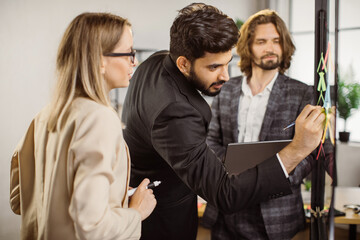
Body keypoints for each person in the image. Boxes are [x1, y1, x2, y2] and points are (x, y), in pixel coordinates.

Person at [121, 3, 325, 240]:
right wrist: (298, 148)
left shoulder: (155, 62)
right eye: (214, 66)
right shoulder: (176, 113)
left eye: (227, 63)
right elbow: (225, 194)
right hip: (162, 223)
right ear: (183, 64)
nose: (226, 76)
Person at [10, 12, 156, 240]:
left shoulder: (45, 116)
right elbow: (92, 227)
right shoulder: (100, 118)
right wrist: (135, 213)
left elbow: (20, 200)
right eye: (129, 53)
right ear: (99, 60)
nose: (134, 61)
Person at [201, 9, 322, 240]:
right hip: (228, 205)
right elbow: (211, 142)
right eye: (262, 41)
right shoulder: (226, 89)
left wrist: (273, 177)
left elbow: (310, 153)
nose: (271, 48)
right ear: (248, 47)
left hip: (275, 210)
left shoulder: (302, 93)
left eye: (277, 41)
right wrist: (233, 174)